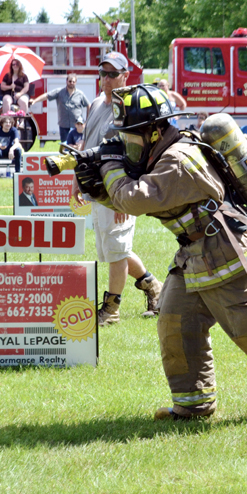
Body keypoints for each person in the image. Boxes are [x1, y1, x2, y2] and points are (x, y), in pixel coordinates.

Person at [83, 83, 247, 421]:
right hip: (195, 255)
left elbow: (135, 199)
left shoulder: (177, 161)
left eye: (130, 137)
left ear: (154, 132)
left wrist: (109, 167)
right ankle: (193, 405)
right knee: (175, 322)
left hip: (225, 254)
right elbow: (145, 199)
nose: (126, 145)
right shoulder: (162, 156)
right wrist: (95, 186)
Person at [74, 51, 163, 326]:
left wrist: (126, 197)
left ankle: (111, 309)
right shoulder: (97, 104)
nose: (107, 79)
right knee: (113, 250)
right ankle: (153, 286)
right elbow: (86, 146)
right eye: (104, 73)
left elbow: (137, 156)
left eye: (113, 74)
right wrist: (77, 181)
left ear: (126, 76)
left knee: (115, 249)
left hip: (119, 191)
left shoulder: (131, 107)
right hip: (98, 188)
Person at [29, 72, 89, 142]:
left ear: (76, 82)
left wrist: (87, 121)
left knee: (77, 145)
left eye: (73, 81)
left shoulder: (80, 94)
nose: (71, 83)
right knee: (65, 146)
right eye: (70, 81)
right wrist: (35, 100)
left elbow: (88, 105)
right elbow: (47, 96)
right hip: (64, 125)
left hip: (77, 125)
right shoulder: (59, 92)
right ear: (66, 81)